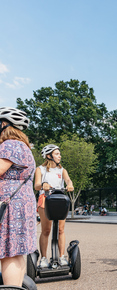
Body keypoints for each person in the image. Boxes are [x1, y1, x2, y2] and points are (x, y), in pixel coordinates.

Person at [0, 107, 37, 287]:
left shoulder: (10, 144)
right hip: (20, 204)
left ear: (4, 124)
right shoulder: (21, 145)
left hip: (10, 207)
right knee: (16, 251)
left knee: (9, 252)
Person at [34, 144, 74, 268]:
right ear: (49, 155)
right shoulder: (40, 169)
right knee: (46, 230)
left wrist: (70, 184)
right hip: (45, 199)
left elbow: (68, 180)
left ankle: (61, 257)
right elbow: (36, 185)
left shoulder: (62, 170)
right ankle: (44, 258)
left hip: (59, 200)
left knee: (61, 230)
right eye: (57, 154)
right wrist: (43, 184)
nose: (59, 156)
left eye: (59, 153)